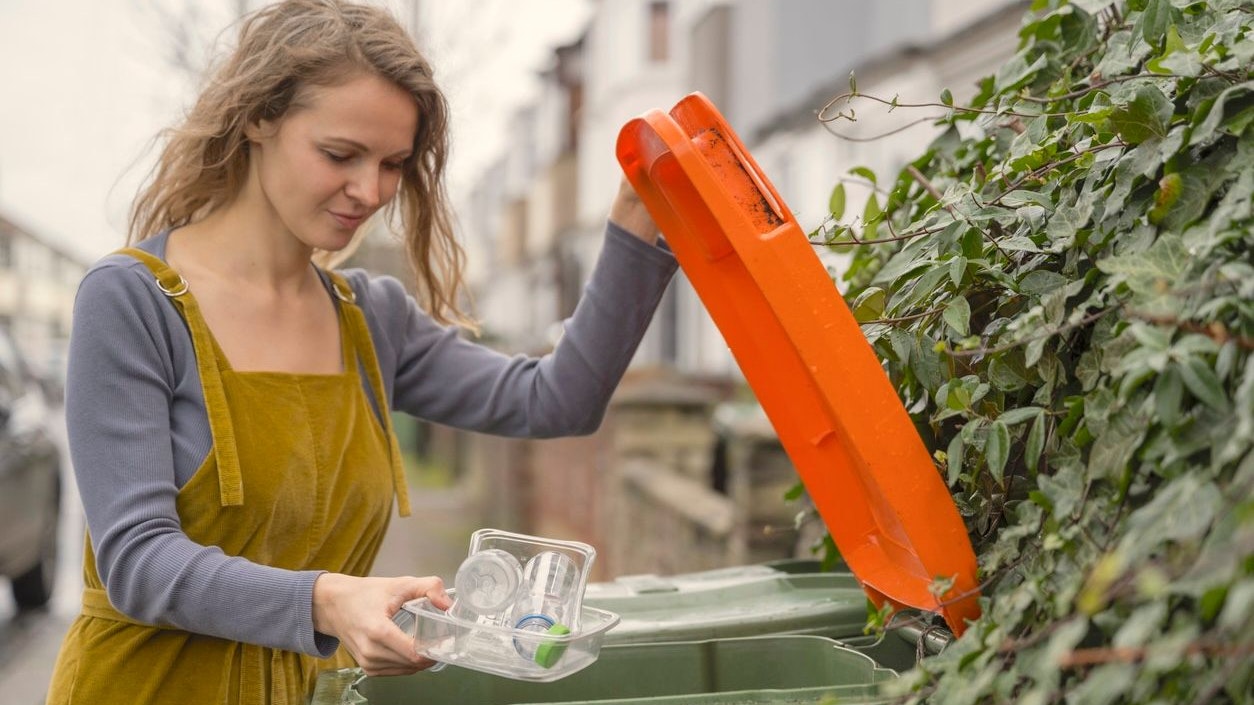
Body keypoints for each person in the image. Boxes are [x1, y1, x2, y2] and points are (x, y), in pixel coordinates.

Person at [46, 1, 674, 702]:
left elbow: (557, 398)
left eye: (394, 165)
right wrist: (329, 600)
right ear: (259, 118)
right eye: (340, 155)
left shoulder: (371, 319)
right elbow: (139, 561)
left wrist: (635, 226)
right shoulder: (132, 300)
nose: (369, 191)